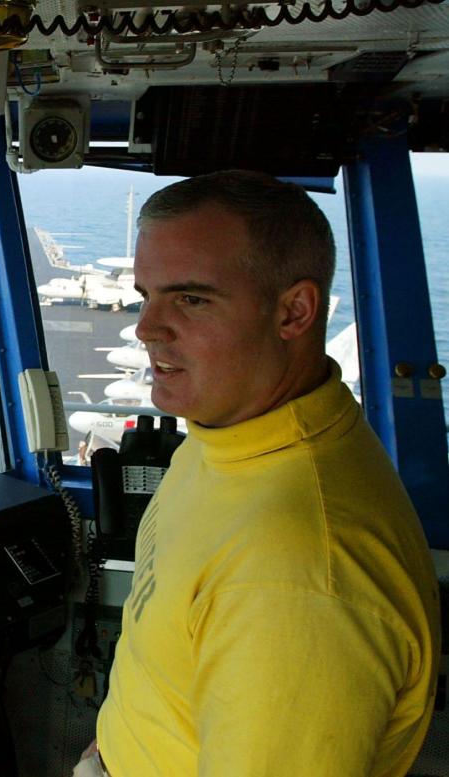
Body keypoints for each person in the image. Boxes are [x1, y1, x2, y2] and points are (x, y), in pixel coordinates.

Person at [80, 170, 441, 776]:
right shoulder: (235, 431)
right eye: (146, 294)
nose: (146, 328)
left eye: (191, 298)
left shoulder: (296, 576)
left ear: (294, 311)